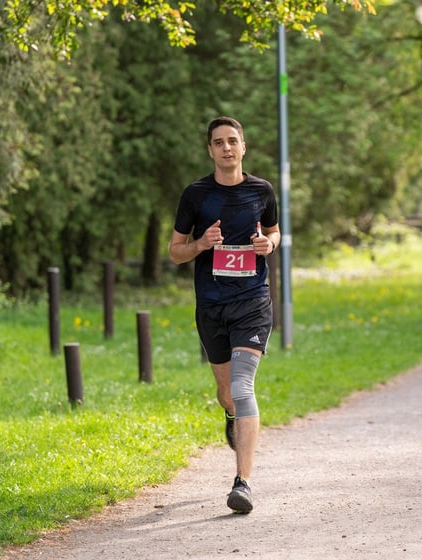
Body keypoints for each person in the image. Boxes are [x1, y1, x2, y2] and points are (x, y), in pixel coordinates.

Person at [169, 116, 280, 513]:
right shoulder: (196, 196)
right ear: (211, 150)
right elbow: (175, 251)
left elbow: (274, 230)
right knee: (227, 394)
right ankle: (232, 416)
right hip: (212, 306)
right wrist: (201, 243)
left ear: (244, 147)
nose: (227, 148)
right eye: (219, 142)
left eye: (233, 141)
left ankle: (243, 483)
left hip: (253, 302)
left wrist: (269, 244)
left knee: (241, 385)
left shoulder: (262, 190)